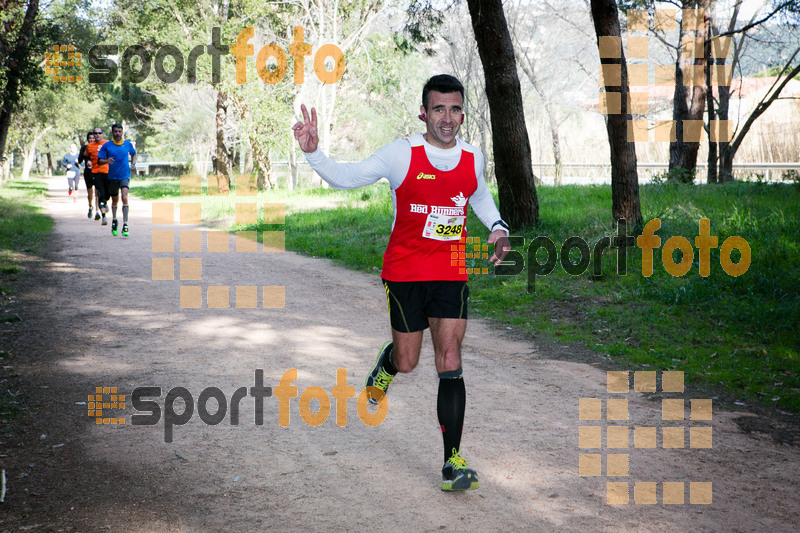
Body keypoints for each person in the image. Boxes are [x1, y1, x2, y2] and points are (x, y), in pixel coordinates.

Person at [292, 74, 510, 492]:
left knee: (449, 356)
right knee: (409, 361)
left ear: (463, 113)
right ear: (423, 113)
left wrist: (497, 228)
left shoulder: (472, 157)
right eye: (438, 109)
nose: (447, 118)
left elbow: (477, 196)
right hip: (406, 272)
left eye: (455, 109)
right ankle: (387, 365)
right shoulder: (401, 154)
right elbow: (347, 176)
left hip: (450, 269)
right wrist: (315, 154)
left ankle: (452, 463)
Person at [97, 123, 136, 237]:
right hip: (112, 177)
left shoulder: (127, 144)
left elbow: (134, 154)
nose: (117, 133)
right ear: (112, 132)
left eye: (119, 131)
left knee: (125, 197)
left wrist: (133, 164)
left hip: (125, 175)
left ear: (122, 132)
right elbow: (99, 161)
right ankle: (114, 220)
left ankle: (125, 224)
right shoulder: (107, 145)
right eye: (115, 131)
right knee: (115, 201)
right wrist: (106, 161)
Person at [85, 127, 110, 225]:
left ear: (102, 134)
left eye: (99, 133)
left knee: (108, 194)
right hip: (96, 173)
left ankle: (105, 202)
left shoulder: (108, 143)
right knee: (100, 193)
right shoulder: (89, 146)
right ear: (93, 135)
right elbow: (87, 157)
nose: (97, 135)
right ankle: (103, 216)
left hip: (108, 172)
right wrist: (88, 161)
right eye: (95, 133)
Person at [78, 132, 99, 219]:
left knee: (97, 193)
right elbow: (79, 160)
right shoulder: (84, 148)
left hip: (97, 172)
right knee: (90, 193)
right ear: (87, 139)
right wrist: (85, 160)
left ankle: (97, 211)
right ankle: (90, 206)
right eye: (90, 138)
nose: (92, 139)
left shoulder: (99, 148)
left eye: (93, 138)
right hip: (88, 173)